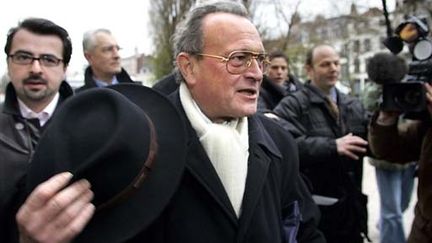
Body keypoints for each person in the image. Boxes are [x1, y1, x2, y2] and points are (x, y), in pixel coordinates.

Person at [16, 1, 325, 242]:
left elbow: (305, 228)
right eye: (238, 58)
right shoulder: (142, 142)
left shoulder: (278, 141)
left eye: (260, 59)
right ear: (188, 67)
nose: (256, 73)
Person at [273, 44, 370, 243]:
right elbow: (285, 145)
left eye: (336, 63)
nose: (333, 68)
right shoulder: (292, 105)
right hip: (317, 213)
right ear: (309, 69)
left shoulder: (352, 104)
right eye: (325, 64)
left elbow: (374, 145)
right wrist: (332, 146)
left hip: (352, 212)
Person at [0, 17, 74, 243]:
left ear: (64, 69)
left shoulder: (95, 130)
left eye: (49, 59)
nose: (35, 68)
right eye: (23, 57)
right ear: (8, 63)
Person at [368, 82, 432, 243]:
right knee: (392, 210)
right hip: (424, 230)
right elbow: (390, 149)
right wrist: (386, 120)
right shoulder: (427, 125)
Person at [362, 71, 416, 243]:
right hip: (385, 161)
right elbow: (368, 105)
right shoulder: (375, 89)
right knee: (392, 210)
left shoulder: (410, 85)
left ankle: (384, 224)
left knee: (403, 203)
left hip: (409, 157)